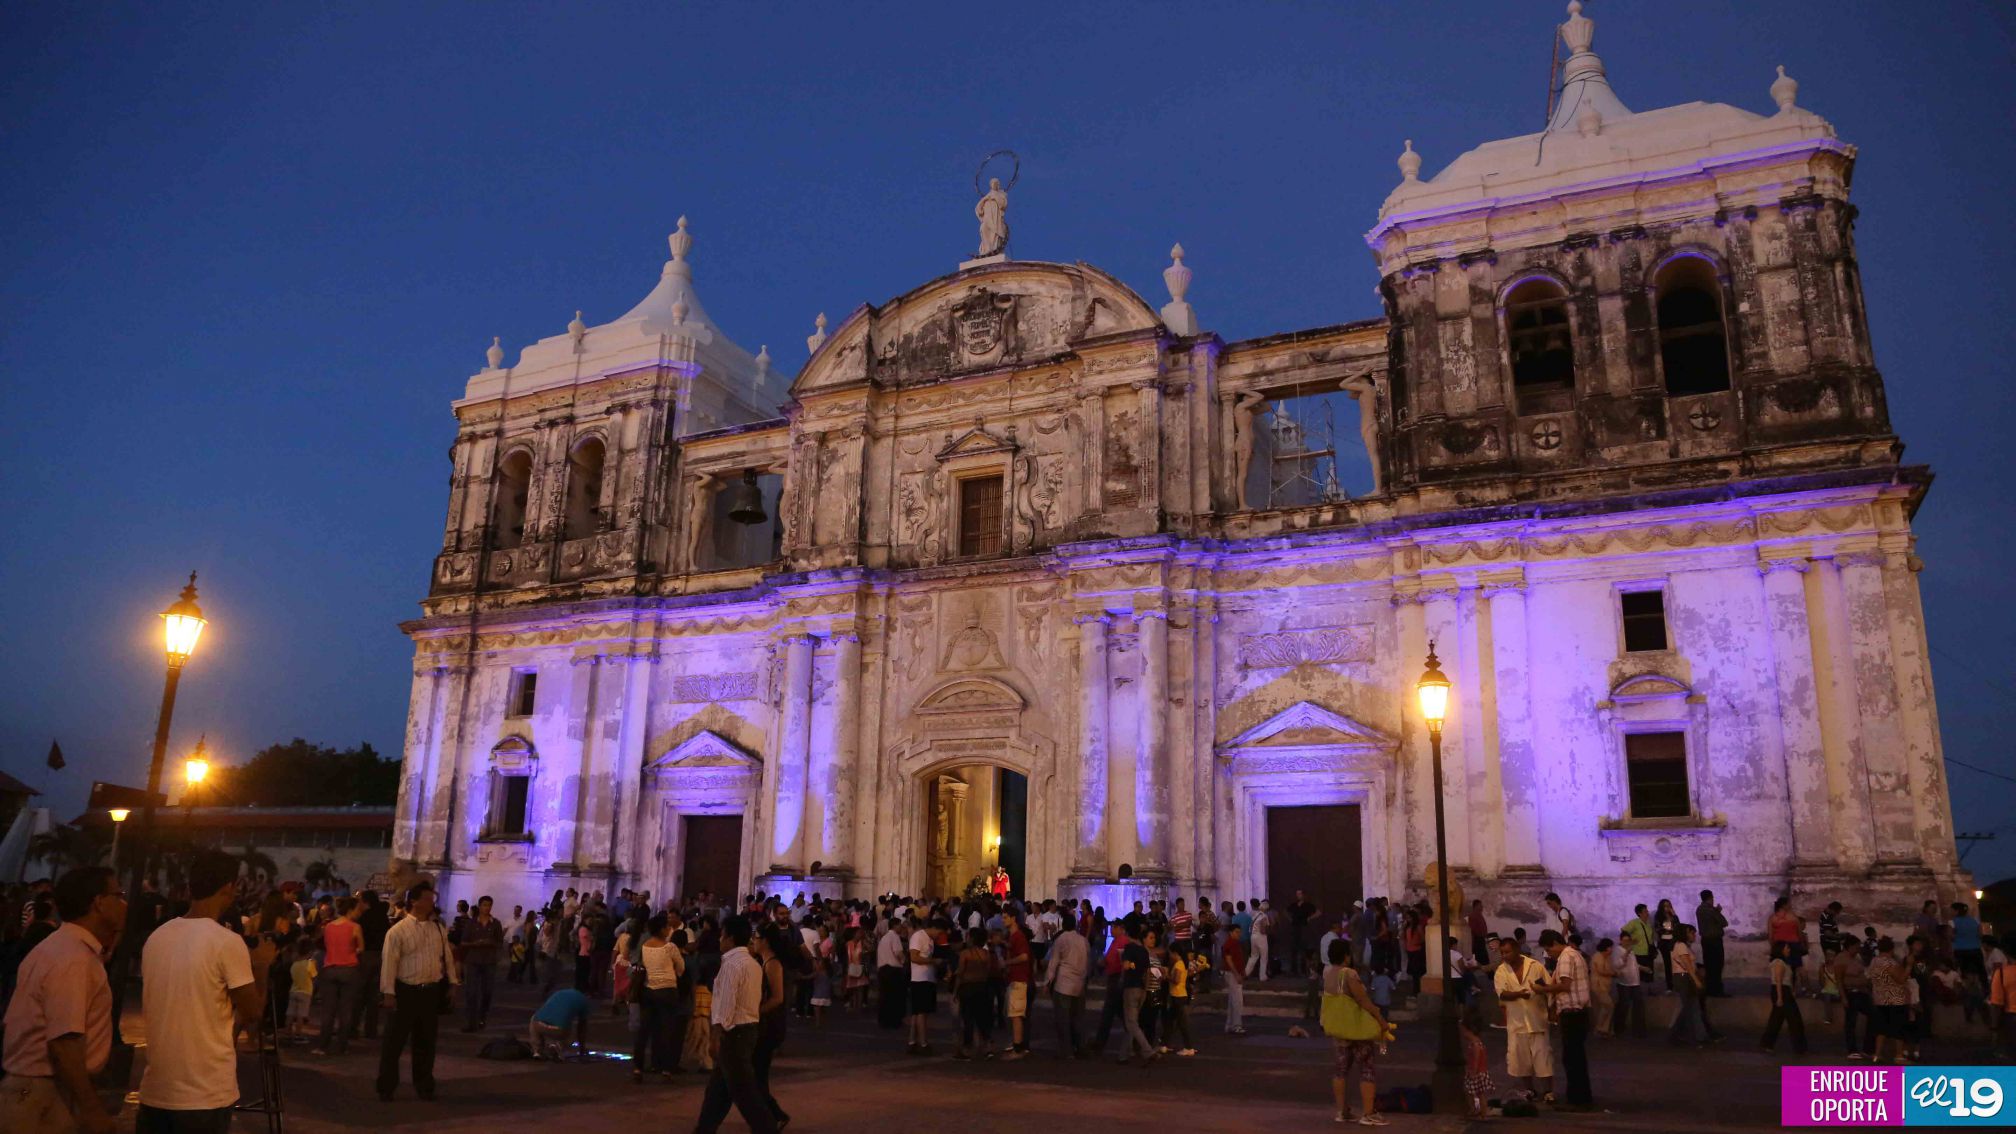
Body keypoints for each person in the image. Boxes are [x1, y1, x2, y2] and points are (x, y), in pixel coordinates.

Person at [139, 849, 274, 1134]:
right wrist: (261, 967)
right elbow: (252, 1013)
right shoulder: (226, 942)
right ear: (229, 886)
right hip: (203, 1093)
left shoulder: (157, 937)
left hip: (156, 1090)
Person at [1, 866, 124, 1134]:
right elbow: (65, 1042)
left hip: (37, 1089)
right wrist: (92, 1110)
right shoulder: (73, 959)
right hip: (45, 1093)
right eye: (118, 894)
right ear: (99, 902)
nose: (123, 903)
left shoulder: (59, 947)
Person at [694, 916, 778, 1134]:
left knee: (745, 1093)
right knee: (718, 1090)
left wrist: (715, 1036)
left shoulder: (732, 964)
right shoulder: (752, 963)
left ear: (729, 938)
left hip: (733, 1034)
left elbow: (726, 1004)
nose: (720, 939)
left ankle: (767, 1129)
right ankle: (704, 1129)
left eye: (722, 934)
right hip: (748, 1029)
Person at [375, 882, 459, 1102]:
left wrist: (452, 982)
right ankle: (386, 1086)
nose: (432, 903)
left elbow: (446, 957)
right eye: (428, 899)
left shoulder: (438, 928)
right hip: (405, 991)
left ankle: (424, 1085)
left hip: (430, 991)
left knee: (426, 1042)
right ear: (414, 901)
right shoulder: (398, 931)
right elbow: (389, 964)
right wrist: (388, 993)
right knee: (394, 1042)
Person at [1322, 940, 1389, 1126]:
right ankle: (1368, 1113)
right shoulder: (1349, 974)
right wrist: (1380, 1019)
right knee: (1367, 1069)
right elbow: (1363, 1000)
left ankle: (1342, 1111)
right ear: (1346, 956)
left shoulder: (1327, 974)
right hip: (1356, 1029)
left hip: (1338, 1029)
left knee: (1340, 1071)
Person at [1494, 935, 1553, 1103]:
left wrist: (1546, 1000)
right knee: (1521, 1060)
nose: (1504, 956)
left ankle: (1548, 1091)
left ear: (1517, 950)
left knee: (1543, 1058)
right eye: (1502, 952)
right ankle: (1530, 1090)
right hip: (1517, 1022)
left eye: (1507, 952)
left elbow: (1547, 987)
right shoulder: (1501, 971)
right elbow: (1502, 993)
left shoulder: (1535, 966)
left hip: (1537, 1019)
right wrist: (1519, 994)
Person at [1540, 929, 1593, 1110]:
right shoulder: (1575, 954)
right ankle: (1582, 1097)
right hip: (1579, 1012)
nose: (1549, 954)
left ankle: (1577, 1100)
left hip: (1572, 1012)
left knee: (1572, 1059)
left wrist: (1544, 990)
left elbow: (1565, 985)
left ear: (1555, 943)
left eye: (1548, 950)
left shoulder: (1565, 957)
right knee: (1576, 1057)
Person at [635, 912, 684, 1080]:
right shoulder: (670, 947)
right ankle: (666, 1068)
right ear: (662, 929)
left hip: (649, 989)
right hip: (668, 990)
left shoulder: (645, 946)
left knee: (645, 1030)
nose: (669, 929)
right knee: (667, 1029)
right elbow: (681, 967)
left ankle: (638, 1067)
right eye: (667, 927)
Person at [312, 896, 364, 1055]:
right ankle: (342, 1046)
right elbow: (360, 948)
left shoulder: (328, 927)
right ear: (351, 909)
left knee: (328, 1010)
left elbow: (326, 945)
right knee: (346, 1010)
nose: (359, 913)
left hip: (329, 968)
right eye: (357, 910)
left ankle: (322, 1045)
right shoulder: (355, 927)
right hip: (349, 969)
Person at [1042, 909, 1089, 1054]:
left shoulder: (1061, 940)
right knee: (1077, 1019)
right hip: (1079, 984)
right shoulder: (1083, 940)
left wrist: (1047, 982)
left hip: (1063, 984)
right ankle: (1080, 1047)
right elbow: (1088, 962)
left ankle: (1066, 1050)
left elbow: (1053, 963)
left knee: (1063, 1019)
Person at [459, 895, 505, 1032]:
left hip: (489, 961)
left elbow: (500, 942)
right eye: (484, 905)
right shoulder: (471, 923)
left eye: (489, 905)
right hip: (473, 960)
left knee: (487, 992)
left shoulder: (495, 923)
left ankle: (482, 1017)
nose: (487, 908)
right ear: (479, 906)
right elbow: (463, 942)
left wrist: (491, 943)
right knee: (471, 992)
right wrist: (475, 943)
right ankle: (471, 1021)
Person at [952, 927, 998, 1060]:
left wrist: (955, 990)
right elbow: (989, 970)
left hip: (967, 988)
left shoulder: (965, 954)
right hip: (982, 987)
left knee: (968, 1019)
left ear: (971, 938)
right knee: (983, 1018)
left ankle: (967, 1049)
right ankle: (987, 1047)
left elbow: (960, 973)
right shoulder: (986, 953)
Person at [1759, 940, 1807, 1054]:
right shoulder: (1779, 963)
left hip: (1784, 991)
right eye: (1786, 948)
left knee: (1776, 1019)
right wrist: (1780, 997)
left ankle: (1767, 1043)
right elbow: (1778, 981)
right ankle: (1799, 1047)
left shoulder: (1782, 962)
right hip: (1781, 991)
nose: (1788, 950)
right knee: (1794, 1019)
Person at [1867, 935, 1909, 1065]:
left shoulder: (1874, 961)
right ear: (1891, 948)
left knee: (1881, 1028)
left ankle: (1877, 1054)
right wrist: (1909, 967)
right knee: (1898, 1028)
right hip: (1895, 999)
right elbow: (1901, 979)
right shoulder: (1890, 962)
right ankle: (1899, 1055)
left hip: (1880, 998)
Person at [1667, 925, 1711, 1046]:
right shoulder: (1681, 946)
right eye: (1692, 933)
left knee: (1692, 1007)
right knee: (1690, 1008)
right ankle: (1690, 1036)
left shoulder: (1684, 946)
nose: (1694, 936)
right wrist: (1696, 980)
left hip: (1685, 977)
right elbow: (1687, 966)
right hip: (1683, 977)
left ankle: (1697, 1035)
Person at [1118, 925, 1155, 1065]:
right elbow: (1147, 973)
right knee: (1131, 1022)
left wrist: (1128, 965)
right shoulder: (1144, 952)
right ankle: (1123, 1055)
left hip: (1130, 988)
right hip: (1141, 989)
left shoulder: (1129, 948)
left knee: (1131, 1023)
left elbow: (1126, 966)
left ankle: (1147, 1050)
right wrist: (1145, 990)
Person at [904, 913, 938, 1056]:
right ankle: (923, 1043)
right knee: (920, 1012)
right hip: (919, 979)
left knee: (918, 1012)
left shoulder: (929, 939)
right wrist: (933, 962)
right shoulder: (918, 937)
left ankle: (913, 1041)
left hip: (927, 978)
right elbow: (914, 957)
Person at [529, 987, 592, 1059]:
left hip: (538, 1024)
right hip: (560, 1029)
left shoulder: (560, 993)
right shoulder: (583, 1000)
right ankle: (559, 1046)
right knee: (574, 1027)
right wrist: (582, 1048)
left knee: (533, 1018)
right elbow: (581, 1029)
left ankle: (537, 1051)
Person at [1002, 911, 1032, 1057]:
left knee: (1016, 1015)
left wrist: (1008, 962)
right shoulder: (1013, 937)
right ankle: (1019, 1045)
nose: (1003, 920)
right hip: (1015, 978)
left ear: (1013, 918)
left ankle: (1018, 1048)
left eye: (1005, 917)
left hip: (1019, 979)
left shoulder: (1018, 936)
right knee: (1016, 1014)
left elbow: (1024, 956)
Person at [1459, 997, 1495, 1120]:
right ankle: (1478, 1111)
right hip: (1480, 1071)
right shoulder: (1477, 1042)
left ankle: (1478, 1111)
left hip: (1476, 1072)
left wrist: (1473, 1070)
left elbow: (1477, 1056)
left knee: (1475, 1092)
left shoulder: (1475, 1044)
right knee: (1477, 1093)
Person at [874, 916, 907, 1029]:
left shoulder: (884, 938)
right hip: (893, 970)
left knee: (884, 996)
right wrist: (904, 961)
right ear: (895, 926)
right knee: (894, 997)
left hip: (883, 969)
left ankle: (883, 1019)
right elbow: (898, 953)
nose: (901, 927)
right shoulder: (895, 937)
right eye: (899, 925)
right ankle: (893, 1020)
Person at [1696, 890, 1729, 997]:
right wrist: (1718, 911)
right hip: (1715, 941)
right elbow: (1724, 923)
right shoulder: (1711, 910)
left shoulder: (1699, 909)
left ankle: (1709, 989)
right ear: (1710, 898)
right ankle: (1717, 990)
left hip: (1705, 940)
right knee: (1717, 966)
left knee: (1709, 966)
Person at [286, 939, 318, 1038]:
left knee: (290, 1012)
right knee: (301, 1014)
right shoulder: (309, 963)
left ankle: (288, 1030)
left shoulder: (294, 964)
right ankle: (298, 1032)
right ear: (309, 953)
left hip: (293, 990)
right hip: (305, 992)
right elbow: (314, 976)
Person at [1221, 923, 1248, 1035]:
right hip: (1231, 973)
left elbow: (1238, 959)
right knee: (1237, 1000)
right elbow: (1229, 960)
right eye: (1237, 932)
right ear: (1231, 932)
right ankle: (1236, 1025)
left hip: (1234, 972)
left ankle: (1230, 1025)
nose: (1239, 934)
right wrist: (1237, 973)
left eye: (1239, 932)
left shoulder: (1235, 943)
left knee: (1233, 1000)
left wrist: (1242, 971)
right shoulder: (1229, 943)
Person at [1620, 904, 1655, 990]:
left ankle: (1649, 990)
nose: (1647, 913)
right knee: (1640, 972)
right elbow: (1624, 930)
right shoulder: (1635, 923)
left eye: (1647, 911)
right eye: (1645, 911)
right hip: (1638, 951)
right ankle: (1639, 990)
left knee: (1649, 971)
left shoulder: (1648, 923)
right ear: (1639, 913)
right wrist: (1630, 941)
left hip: (1648, 951)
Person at [1590, 937, 1618, 1037]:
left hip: (1605, 987)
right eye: (1611, 947)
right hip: (1598, 986)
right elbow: (1601, 971)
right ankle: (1600, 1028)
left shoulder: (1607, 957)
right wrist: (1613, 973)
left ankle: (1603, 1029)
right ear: (1606, 948)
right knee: (1608, 1005)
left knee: (1604, 1007)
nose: (1612, 950)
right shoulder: (1598, 956)